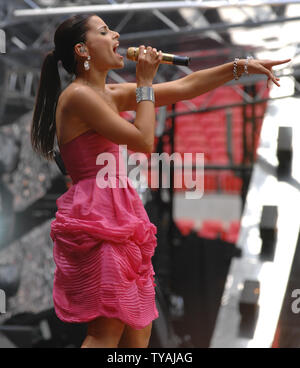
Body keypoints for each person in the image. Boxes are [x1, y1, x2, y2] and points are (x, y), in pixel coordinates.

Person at [30, 13, 290, 348]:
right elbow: (142, 140)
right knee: (105, 332)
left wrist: (239, 66)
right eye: (105, 31)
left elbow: (184, 86)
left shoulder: (106, 93)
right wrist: (144, 82)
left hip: (121, 211)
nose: (117, 35)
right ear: (83, 50)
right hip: (98, 216)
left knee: (139, 333)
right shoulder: (78, 97)